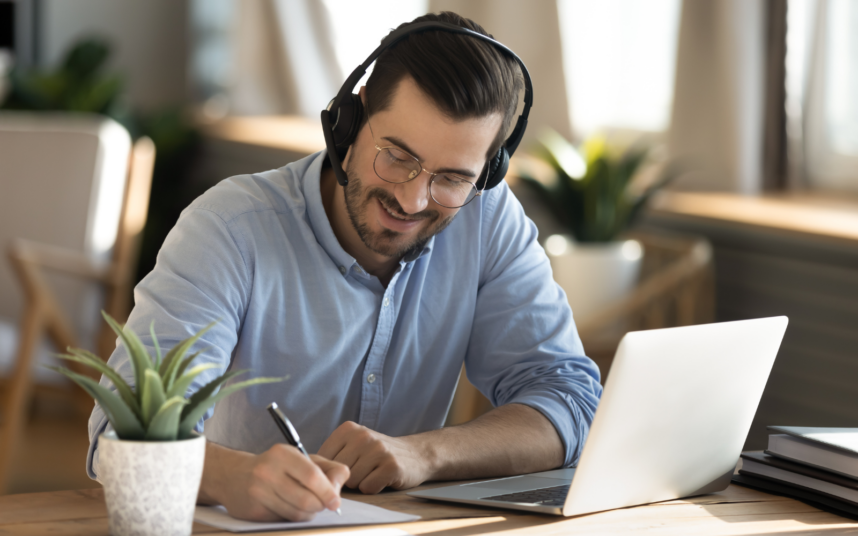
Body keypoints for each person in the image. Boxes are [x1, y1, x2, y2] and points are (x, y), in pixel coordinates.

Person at [86, 11, 602, 522]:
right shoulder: (230, 227)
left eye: (451, 177)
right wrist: (231, 476)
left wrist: (424, 454)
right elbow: (120, 437)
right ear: (348, 123)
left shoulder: (486, 218)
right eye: (397, 156)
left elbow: (569, 399)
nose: (413, 198)